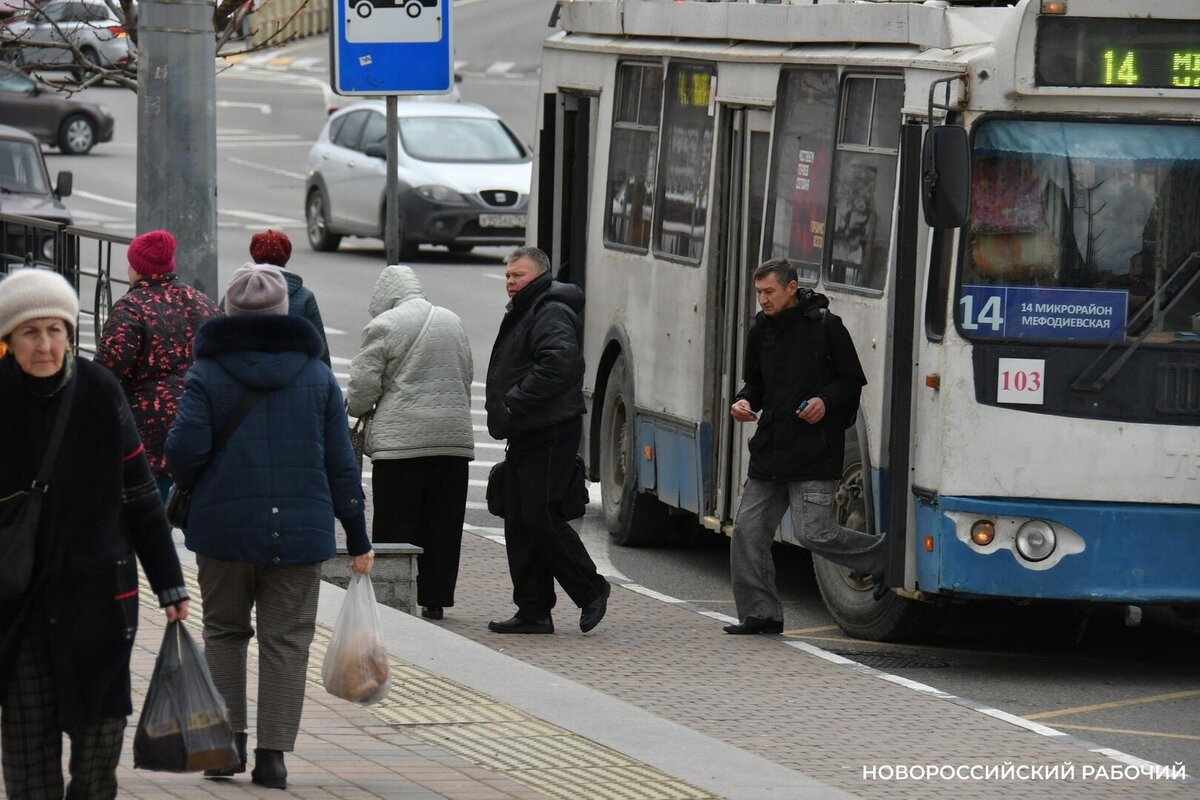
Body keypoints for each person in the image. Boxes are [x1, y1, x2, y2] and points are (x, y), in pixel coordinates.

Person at [165, 264, 373, 789]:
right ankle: (274, 757)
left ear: (228, 313)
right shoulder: (318, 375)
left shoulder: (206, 374)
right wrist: (358, 534)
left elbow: (183, 455)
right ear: (284, 313)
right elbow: (341, 463)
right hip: (302, 535)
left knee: (224, 633)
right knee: (287, 643)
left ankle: (227, 745)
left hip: (223, 533)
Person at [0, 268, 189, 799]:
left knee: (99, 749)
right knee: (29, 759)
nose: (44, 344)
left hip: (98, 599)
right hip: (18, 605)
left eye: (55, 330)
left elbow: (140, 494)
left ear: (70, 331)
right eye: (30, 332)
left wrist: (169, 584)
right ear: (9, 340)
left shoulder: (100, 391)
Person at [725, 258, 883, 635]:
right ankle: (761, 614)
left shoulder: (827, 327)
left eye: (769, 292)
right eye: (759, 293)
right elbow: (756, 386)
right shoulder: (759, 330)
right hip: (771, 450)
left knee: (815, 533)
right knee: (747, 532)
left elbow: (851, 382)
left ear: (791, 288)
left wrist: (825, 402)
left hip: (815, 449)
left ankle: (884, 559)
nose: (762, 300)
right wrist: (744, 402)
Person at [484, 246, 610, 635]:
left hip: (549, 428)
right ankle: (533, 610)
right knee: (519, 518)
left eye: (517, 276)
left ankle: (592, 589)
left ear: (537, 276)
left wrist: (515, 400)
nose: (510, 282)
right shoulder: (528, 307)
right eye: (507, 276)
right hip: (528, 428)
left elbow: (560, 363)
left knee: (540, 514)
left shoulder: (549, 309)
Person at [347, 265, 474, 620]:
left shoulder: (384, 326)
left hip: (401, 445)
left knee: (395, 523)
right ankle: (436, 599)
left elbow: (362, 390)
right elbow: (467, 373)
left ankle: (393, 596)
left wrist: (362, 408)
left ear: (386, 297)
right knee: (443, 523)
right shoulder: (452, 320)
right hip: (453, 442)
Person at [95, 229, 222, 501]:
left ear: (136, 268)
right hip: (203, 425)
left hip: (150, 436)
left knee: (150, 522)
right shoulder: (203, 302)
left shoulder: (130, 308)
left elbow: (106, 373)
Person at [246, 229, 332, 368]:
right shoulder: (304, 297)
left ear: (253, 253)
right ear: (286, 255)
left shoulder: (237, 292)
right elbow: (320, 350)